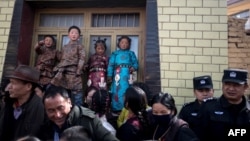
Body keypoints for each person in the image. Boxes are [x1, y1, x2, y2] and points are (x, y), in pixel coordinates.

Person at [38, 85, 119, 141]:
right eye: (51, 110)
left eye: (61, 108)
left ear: (69, 103)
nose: (57, 115)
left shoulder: (87, 120)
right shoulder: (44, 122)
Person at [201, 69, 250, 141]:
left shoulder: (248, 110)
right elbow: (199, 135)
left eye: (236, 85)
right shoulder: (209, 107)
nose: (231, 88)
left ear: (245, 87)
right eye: (227, 84)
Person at [0, 65, 45, 141]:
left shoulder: (38, 107)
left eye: (13, 83)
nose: (9, 86)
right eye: (10, 82)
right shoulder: (8, 102)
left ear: (28, 86)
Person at [51, 25, 85, 106]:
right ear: (68, 35)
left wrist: (78, 70)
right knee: (64, 96)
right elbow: (61, 59)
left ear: (79, 36)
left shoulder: (80, 46)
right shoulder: (65, 47)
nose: (74, 34)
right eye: (72, 33)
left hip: (74, 73)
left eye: (76, 33)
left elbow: (82, 58)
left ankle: (78, 114)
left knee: (77, 96)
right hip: (64, 74)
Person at [107, 35, 139, 113]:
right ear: (119, 44)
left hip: (127, 75)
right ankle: (116, 109)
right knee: (117, 91)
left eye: (126, 43)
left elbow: (136, 64)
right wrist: (109, 75)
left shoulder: (131, 53)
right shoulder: (115, 53)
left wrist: (133, 67)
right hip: (117, 75)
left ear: (129, 44)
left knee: (127, 90)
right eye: (122, 42)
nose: (124, 44)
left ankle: (126, 109)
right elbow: (111, 65)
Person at [178, 75, 214, 139]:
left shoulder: (220, 108)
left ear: (213, 91)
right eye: (201, 91)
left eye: (207, 90)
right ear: (194, 92)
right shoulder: (187, 109)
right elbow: (180, 131)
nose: (205, 94)